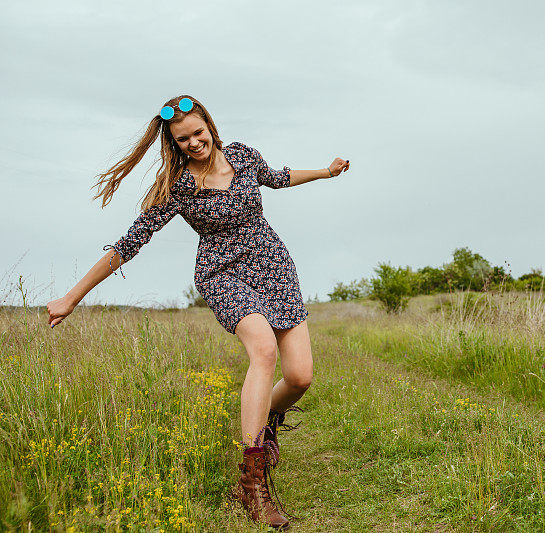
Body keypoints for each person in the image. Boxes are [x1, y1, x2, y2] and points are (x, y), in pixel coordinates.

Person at [44, 94, 350, 529]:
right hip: (223, 275)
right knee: (263, 351)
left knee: (300, 376)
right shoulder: (178, 188)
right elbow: (129, 243)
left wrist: (327, 171)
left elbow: (278, 177)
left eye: (198, 132)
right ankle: (253, 483)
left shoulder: (243, 157)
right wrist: (71, 298)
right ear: (173, 142)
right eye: (182, 138)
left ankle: (266, 422)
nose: (193, 142)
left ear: (210, 124)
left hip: (273, 266)